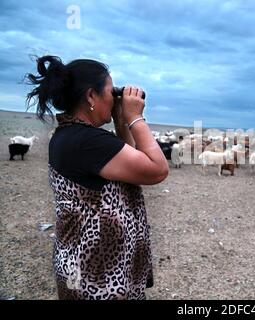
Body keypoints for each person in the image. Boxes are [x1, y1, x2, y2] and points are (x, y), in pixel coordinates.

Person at [25, 55, 169, 299]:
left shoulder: (70, 135)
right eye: (111, 92)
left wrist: (120, 122)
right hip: (100, 275)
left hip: (83, 261)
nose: (115, 98)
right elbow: (157, 170)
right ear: (91, 96)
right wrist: (135, 117)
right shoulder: (89, 143)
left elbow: (130, 171)